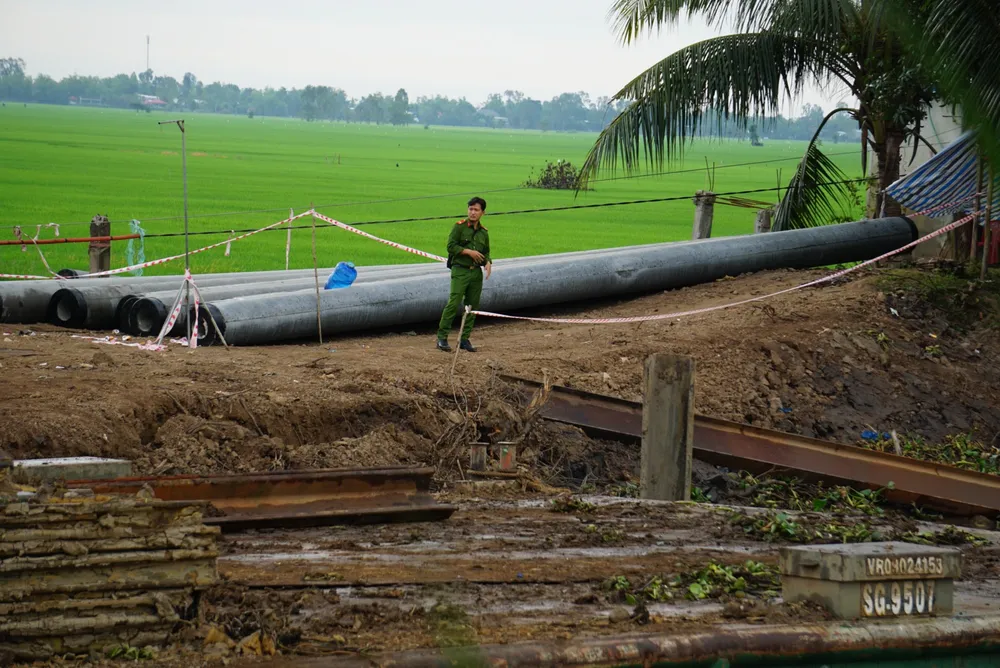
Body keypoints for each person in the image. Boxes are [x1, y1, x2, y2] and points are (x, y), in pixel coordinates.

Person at [436, 197, 491, 352]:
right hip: (460, 270)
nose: (472, 212)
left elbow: (486, 252)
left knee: (472, 306)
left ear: (482, 213)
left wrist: (488, 262)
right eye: (470, 209)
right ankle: (442, 337)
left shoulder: (483, 233)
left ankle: (464, 339)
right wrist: (468, 252)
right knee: (454, 303)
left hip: (475, 273)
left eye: (476, 210)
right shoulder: (459, 227)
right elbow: (451, 246)